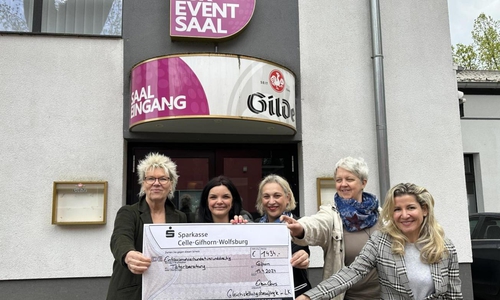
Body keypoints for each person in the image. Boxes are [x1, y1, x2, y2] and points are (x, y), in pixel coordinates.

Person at [295, 183, 463, 300]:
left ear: (424, 209)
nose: (404, 215)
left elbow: (454, 295)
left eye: (411, 208)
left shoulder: (445, 247)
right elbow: (351, 274)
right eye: (397, 209)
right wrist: (310, 296)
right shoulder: (381, 242)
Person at [281, 157, 380, 300]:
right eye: (339, 180)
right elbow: (316, 224)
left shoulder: (381, 216)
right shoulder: (331, 214)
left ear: (363, 182)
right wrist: (300, 227)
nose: (343, 184)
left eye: (349, 179)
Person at [106, 153, 187, 300]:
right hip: (132, 291)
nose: (156, 183)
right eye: (150, 178)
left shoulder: (180, 217)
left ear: (171, 184)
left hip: (166, 290)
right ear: (143, 184)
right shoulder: (129, 213)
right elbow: (120, 238)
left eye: (163, 179)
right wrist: (128, 254)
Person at [255, 174, 312, 297]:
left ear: (287, 198)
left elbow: (303, 248)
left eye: (277, 196)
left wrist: (302, 257)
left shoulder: (299, 225)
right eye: (266, 196)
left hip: (295, 295)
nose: (271, 201)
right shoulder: (254, 227)